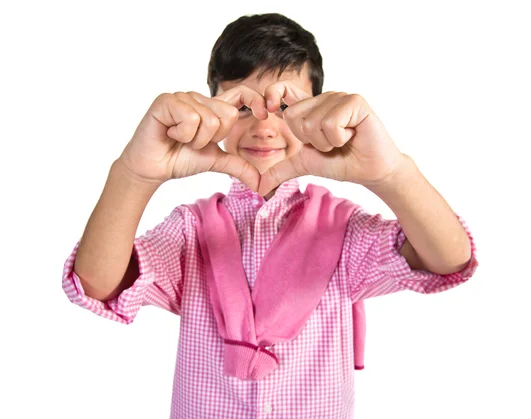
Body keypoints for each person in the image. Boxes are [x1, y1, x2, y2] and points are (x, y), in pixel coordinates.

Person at [62, 12, 478, 419]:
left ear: (316, 112)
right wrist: (133, 174)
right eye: (243, 108)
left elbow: (448, 259)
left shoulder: (343, 228)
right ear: (214, 113)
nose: (264, 127)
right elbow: (97, 284)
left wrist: (391, 173)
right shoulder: (190, 230)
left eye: (283, 107)